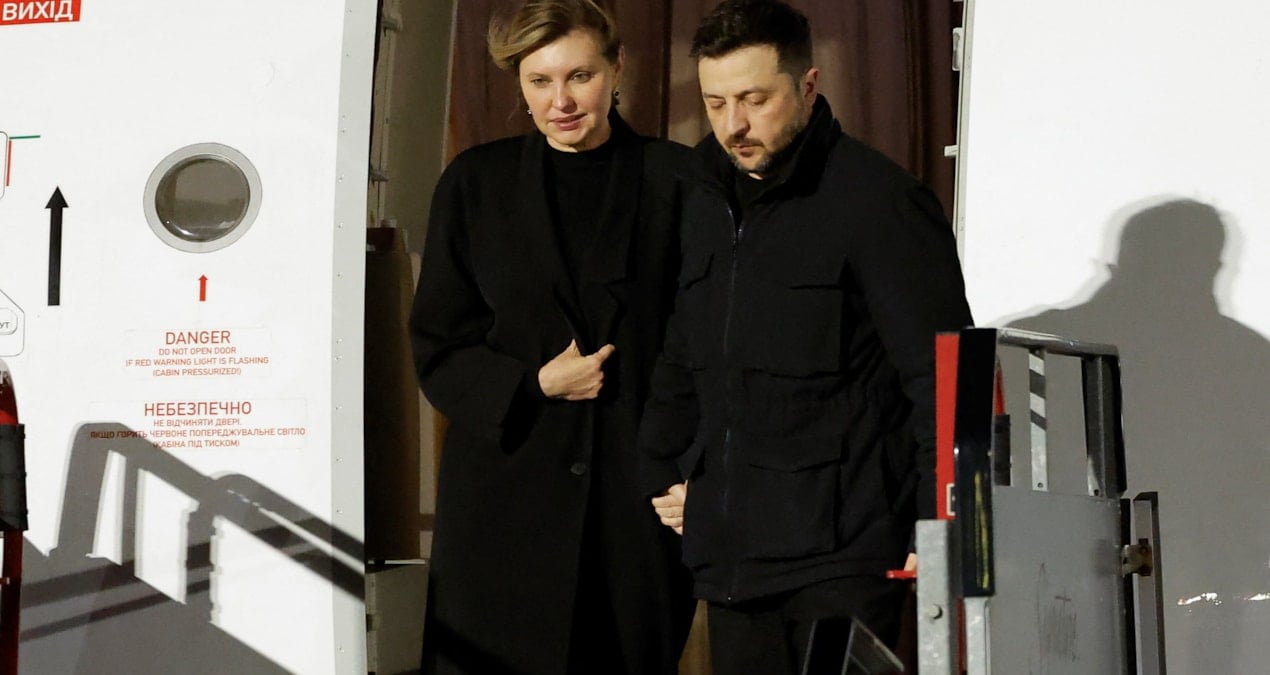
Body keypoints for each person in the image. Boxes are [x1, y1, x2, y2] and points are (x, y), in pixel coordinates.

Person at [637, 1, 974, 672]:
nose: (733, 124)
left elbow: (943, 374)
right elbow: (685, 348)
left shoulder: (878, 201)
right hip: (734, 557)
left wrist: (938, 525)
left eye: (755, 99)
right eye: (715, 103)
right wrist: (661, 468)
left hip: (845, 556)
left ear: (809, 85)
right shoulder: (703, 196)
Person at [408, 1, 698, 673]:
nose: (560, 101)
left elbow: (716, 341)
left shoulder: (682, 180)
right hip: (503, 505)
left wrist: (696, 467)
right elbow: (438, 344)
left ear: (617, 67)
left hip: (635, 503)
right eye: (540, 81)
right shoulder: (475, 183)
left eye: (579, 76)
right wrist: (534, 382)